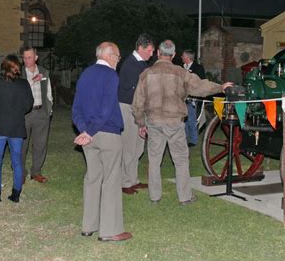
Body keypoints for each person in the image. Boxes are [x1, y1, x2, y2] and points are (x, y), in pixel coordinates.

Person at [132, 40, 232, 205]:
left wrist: (140, 122)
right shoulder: (180, 73)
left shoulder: (146, 74)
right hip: (174, 123)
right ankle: (185, 197)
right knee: (180, 160)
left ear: (158, 53)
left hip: (154, 122)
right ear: (173, 55)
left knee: (154, 160)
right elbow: (200, 86)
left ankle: (154, 197)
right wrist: (220, 87)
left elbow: (137, 103)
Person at [72, 41, 132, 242]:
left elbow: (76, 109)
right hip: (107, 133)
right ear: (110, 55)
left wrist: (84, 130)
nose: (118, 61)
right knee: (111, 180)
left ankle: (88, 226)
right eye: (118, 57)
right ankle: (110, 230)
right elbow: (106, 109)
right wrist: (89, 131)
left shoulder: (85, 74)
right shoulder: (111, 75)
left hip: (89, 136)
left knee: (92, 178)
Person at [0, 55, 34, 206]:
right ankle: (16, 194)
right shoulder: (24, 84)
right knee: (17, 162)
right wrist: (17, 114)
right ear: (18, 68)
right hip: (17, 127)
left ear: (4, 67)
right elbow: (28, 105)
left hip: (0, 126)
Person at [118, 33, 155, 194]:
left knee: (138, 146)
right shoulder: (131, 64)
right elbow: (137, 92)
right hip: (129, 109)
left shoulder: (141, 64)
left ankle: (133, 179)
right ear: (140, 47)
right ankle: (124, 182)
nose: (151, 54)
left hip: (139, 110)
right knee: (128, 146)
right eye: (149, 50)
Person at [21, 46, 53, 183]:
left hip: (41, 112)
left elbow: (48, 92)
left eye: (29, 57)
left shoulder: (44, 72)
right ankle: (20, 173)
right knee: (22, 145)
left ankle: (36, 172)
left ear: (36, 57)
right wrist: (32, 80)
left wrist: (49, 109)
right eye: (24, 57)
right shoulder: (19, 73)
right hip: (24, 113)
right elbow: (17, 90)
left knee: (40, 144)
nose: (26, 60)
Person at [181, 49, 206, 147]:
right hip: (182, 98)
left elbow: (201, 83)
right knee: (184, 120)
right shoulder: (181, 67)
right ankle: (185, 138)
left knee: (191, 120)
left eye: (183, 56)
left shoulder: (198, 68)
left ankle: (193, 140)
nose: (181, 57)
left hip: (193, 99)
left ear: (187, 57)